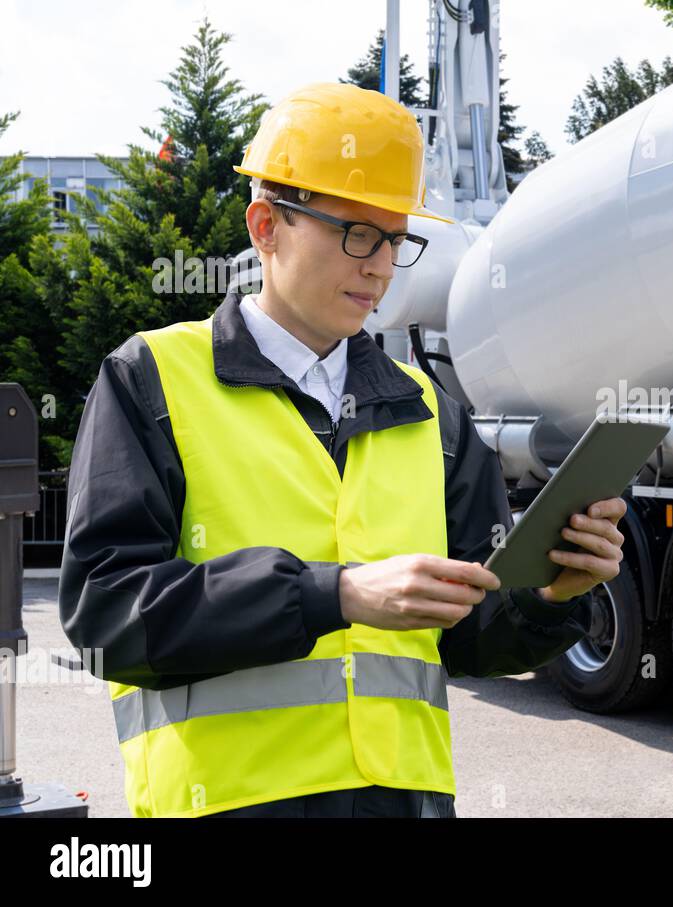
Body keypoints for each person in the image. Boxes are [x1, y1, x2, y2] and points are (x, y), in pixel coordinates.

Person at [59, 82, 627, 818]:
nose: (381, 267)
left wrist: (554, 595)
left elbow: (474, 641)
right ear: (266, 226)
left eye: (395, 239)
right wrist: (333, 594)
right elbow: (106, 614)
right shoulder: (151, 380)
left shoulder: (431, 413)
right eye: (357, 233)